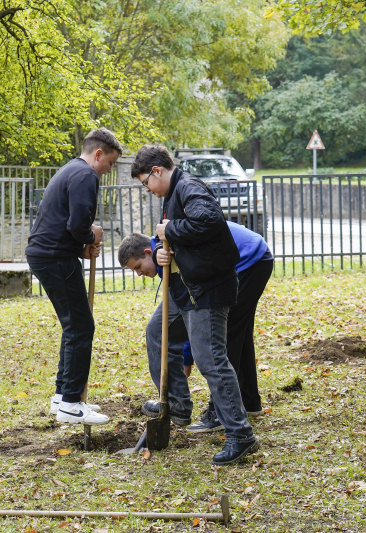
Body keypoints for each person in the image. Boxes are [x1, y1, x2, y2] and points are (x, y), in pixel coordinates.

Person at [129, 143, 259, 465]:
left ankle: (240, 434)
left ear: (157, 171)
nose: (148, 189)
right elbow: (176, 242)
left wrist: (169, 229)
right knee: (157, 332)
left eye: (146, 182)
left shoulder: (188, 187)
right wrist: (161, 249)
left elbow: (209, 221)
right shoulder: (172, 196)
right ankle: (176, 404)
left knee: (210, 359)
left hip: (207, 290)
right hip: (184, 290)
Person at [118, 220, 273, 434]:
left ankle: (219, 412)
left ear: (147, 252)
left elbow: (197, 313)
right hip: (254, 255)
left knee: (227, 334)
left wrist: (187, 358)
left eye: (137, 267)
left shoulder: (169, 251)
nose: (139, 274)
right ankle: (248, 402)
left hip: (247, 261)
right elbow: (189, 310)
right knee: (239, 332)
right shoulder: (165, 255)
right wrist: (186, 358)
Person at [25, 127, 122, 426]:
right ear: (97, 154)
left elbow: (61, 224)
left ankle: (61, 397)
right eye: (109, 163)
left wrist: (81, 249)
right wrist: (90, 236)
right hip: (55, 258)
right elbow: (77, 223)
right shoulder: (85, 175)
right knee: (81, 327)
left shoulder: (70, 169)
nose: (108, 170)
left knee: (73, 327)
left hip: (48, 255)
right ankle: (70, 403)